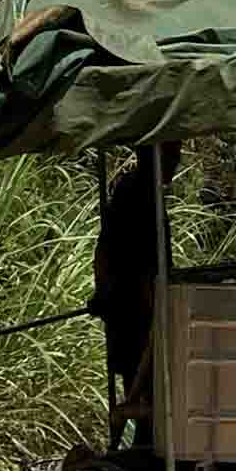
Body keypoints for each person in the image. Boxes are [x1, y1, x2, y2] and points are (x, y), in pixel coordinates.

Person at [89, 143, 178, 452]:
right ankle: (142, 457)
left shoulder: (137, 190)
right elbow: (134, 262)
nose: (177, 161)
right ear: (155, 156)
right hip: (136, 316)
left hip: (136, 311)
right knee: (147, 399)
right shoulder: (138, 195)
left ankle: (140, 449)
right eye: (172, 154)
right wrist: (156, 313)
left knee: (146, 396)